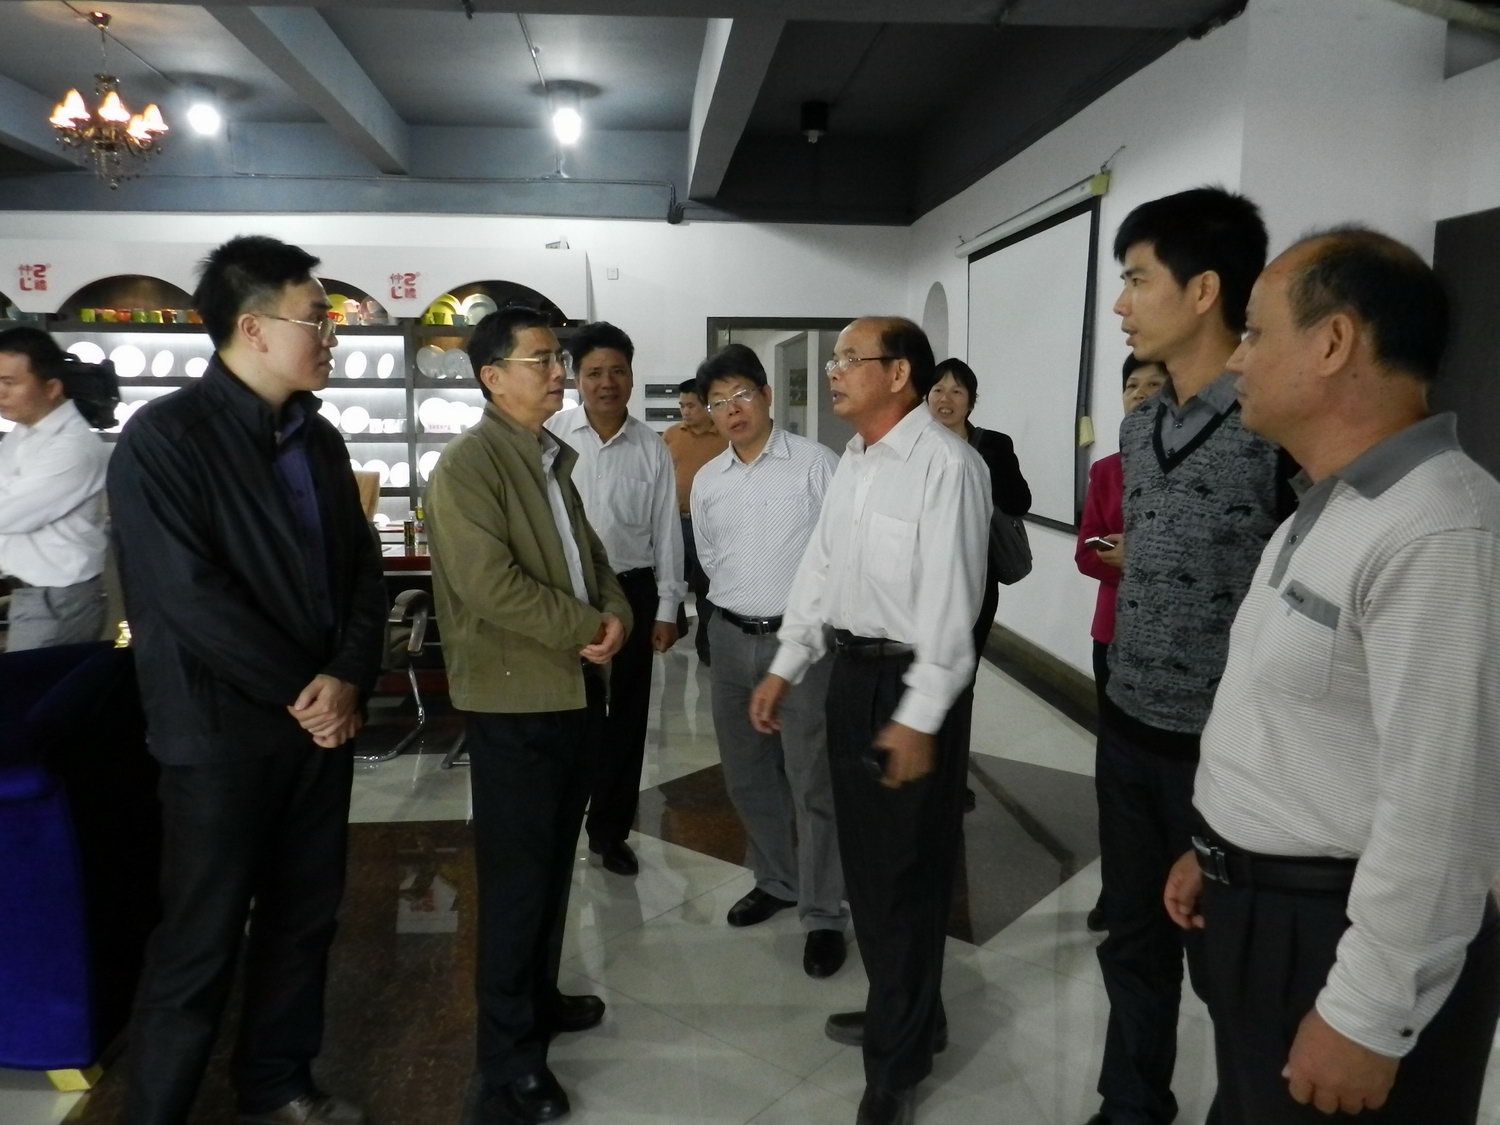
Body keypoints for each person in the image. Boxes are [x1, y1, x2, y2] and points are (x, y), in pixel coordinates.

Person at [1165, 228, 1500, 1124]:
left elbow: (1444, 810)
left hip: (1340, 936)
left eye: (1254, 332)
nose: (1237, 359)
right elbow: (1296, 722)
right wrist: (1219, 849)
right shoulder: (1330, 503)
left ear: (1334, 342)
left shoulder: (1439, 530)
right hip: (1267, 907)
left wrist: (1366, 1013)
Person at [107, 235, 386, 1125]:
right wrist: (311, 691)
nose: (331, 336)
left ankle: (277, 1083)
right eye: (317, 318)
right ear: (254, 327)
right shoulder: (166, 439)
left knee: (305, 921)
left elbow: (362, 571)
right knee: (200, 939)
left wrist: (347, 674)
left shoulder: (320, 438)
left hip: (317, 730)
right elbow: (188, 597)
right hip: (219, 734)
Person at [751, 317, 991, 1125]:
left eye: (849, 358)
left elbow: (954, 605)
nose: (834, 371)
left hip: (912, 685)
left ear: (899, 374)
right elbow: (821, 569)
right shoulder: (854, 459)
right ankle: (911, 1011)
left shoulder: (947, 466)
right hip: (852, 675)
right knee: (868, 867)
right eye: (834, 360)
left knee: (907, 874)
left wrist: (921, 715)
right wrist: (787, 663)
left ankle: (895, 1062)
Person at [1087, 186, 1290, 1125]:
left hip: (1227, 758)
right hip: (1127, 729)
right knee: (1132, 940)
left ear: (1204, 290)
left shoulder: (1272, 429)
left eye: (1137, 279)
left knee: (1227, 965)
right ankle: (1131, 1106)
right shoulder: (1141, 426)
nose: (1121, 303)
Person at [426, 305, 632, 1125]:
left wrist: (614, 611)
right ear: (492, 376)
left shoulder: (550, 457)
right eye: (541, 360)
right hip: (515, 701)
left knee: (551, 868)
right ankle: (507, 1061)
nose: (559, 374)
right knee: (516, 884)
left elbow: (593, 559)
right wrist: (586, 625)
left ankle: (538, 1000)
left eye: (559, 359)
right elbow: (490, 585)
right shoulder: (468, 467)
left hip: (572, 691)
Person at [689, 344, 847, 978]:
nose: (732, 410)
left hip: (802, 644)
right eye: (718, 403)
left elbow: (841, 554)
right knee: (747, 774)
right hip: (730, 638)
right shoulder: (709, 479)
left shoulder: (816, 464)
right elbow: (709, 558)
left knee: (812, 780)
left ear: (767, 396)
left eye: (742, 396)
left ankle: (825, 911)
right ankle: (778, 881)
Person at [545, 321, 684, 877]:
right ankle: (556, 825)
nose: (607, 383)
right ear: (576, 378)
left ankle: (610, 832)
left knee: (625, 721)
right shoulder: (550, 435)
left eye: (618, 372)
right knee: (563, 715)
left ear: (631, 375)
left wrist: (668, 609)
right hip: (565, 594)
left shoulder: (651, 447)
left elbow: (666, 532)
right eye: (595, 373)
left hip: (632, 591)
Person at [1074, 355, 1168, 933]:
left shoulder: (1192, 467)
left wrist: (1138, 552)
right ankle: (1118, 889)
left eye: (1154, 385)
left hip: (1176, 646)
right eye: (1131, 385)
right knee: (1116, 767)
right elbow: (1089, 551)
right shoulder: (1108, 469)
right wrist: (1125, 557)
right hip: (1113, 634)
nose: (1140, 394)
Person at [925, 357, 1031, 812]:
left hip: (975, 580)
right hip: (919, 583)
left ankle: (951, 778)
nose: (945, 399)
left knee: (960, 679)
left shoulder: (993, 445)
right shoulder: (911, 445)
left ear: (971, 401)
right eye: (937, 390)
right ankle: (919, 769)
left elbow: (1019, 501)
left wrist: (980, 469)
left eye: (957, 391)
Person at [0, 326, 109, 651]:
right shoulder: (23, 431)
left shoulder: (72, 446)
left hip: (57, 601)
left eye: (9, 383)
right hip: (32, 593)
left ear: (51, 387)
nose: (0, 393)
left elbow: (9, 513)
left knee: (28, 683)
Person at [662, 375, 727, 664]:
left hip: (709, 526)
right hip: (675, 522)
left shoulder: (725, 436)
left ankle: (708, 648)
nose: (685, 411)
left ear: (707, 406)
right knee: (670, 582)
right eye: (682, 406)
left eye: (691, 406)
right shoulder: (672, 435)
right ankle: (671, 632)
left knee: (706, 589)